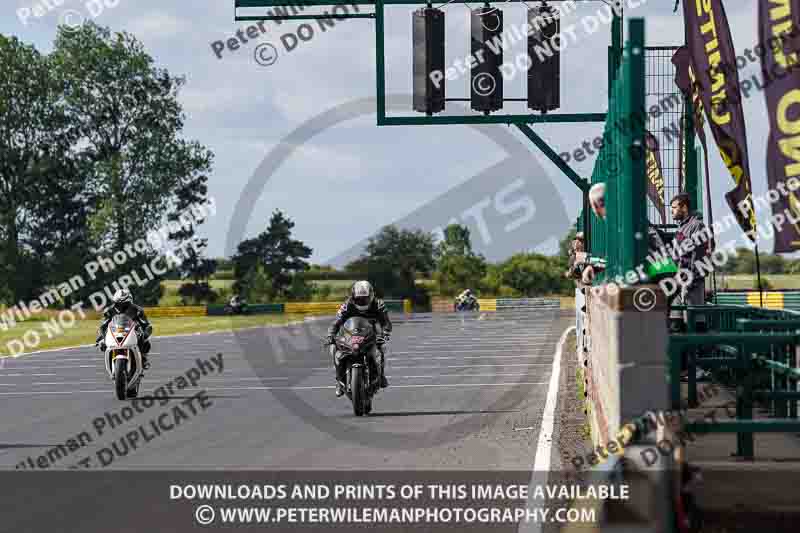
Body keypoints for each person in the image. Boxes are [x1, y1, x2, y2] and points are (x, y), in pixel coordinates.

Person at [325, 280, 392, 397]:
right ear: (353, 297)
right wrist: (330, 335)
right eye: (359, 299)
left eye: (365, 299)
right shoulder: (347, 305)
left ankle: (381, 376)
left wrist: (385, 333)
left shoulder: (378, 305)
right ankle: (339, 380)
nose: (362, 302)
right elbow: (336, 322)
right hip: (350, 333)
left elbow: (386, 323)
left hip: (371, 333)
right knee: (334, 348)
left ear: (371, 296)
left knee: (381, 347)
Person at [669, 193, 711, 307]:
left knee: (693, 316)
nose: (671, 211)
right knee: (676, 317)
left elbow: (700, 256)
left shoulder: (697, 226)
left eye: (674, 208)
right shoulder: (682, 228)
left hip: (691, 285)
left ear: (684, 208)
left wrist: (689, 282)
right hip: (679, 282)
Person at [96, 289, 153, 368]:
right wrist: (101, 336)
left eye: (124, 304)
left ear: (129, 302)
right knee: (102, 344)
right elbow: (103, 325)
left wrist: (146, 333)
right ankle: (110, 359)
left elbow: (145, 324)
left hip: (132, 332)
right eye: (118, 304)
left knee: (146, 343)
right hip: (115, 332)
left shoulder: (138, 310)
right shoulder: (109, 311)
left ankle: (143, 358)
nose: (121, 307)